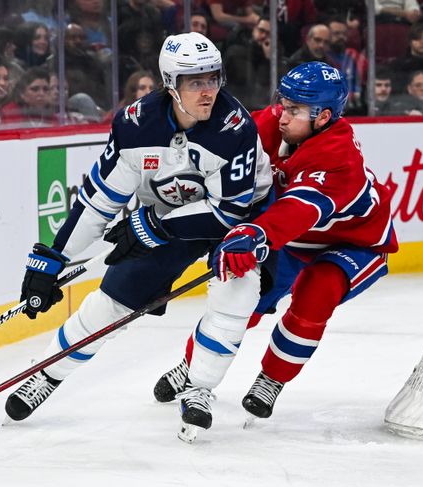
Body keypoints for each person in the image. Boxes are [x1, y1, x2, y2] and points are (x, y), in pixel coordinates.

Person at [3, 33, 272, 431]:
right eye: (195, 82)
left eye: (213, 78)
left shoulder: (234, 128)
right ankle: (47, 373)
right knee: (112, 299)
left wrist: (154, 225)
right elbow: (100, 200)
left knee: (238, 289)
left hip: (241, 220)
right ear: (170, 84)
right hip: (169, 219)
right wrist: (53, 258)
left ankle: (199, 387)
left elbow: (228, 210)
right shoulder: (135, 126)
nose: (208, 91)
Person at [154, 62, 399, 441]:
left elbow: (298, 209)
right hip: (293, 239)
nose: (282, 115)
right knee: (243, 303)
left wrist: (254, 232)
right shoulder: (274, 122)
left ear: (324, 117)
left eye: (295, 110)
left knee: (317, 293)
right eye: (282, 103)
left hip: (356, 243)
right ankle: (191, 366)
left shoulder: (338, 156)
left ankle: (272, 379)